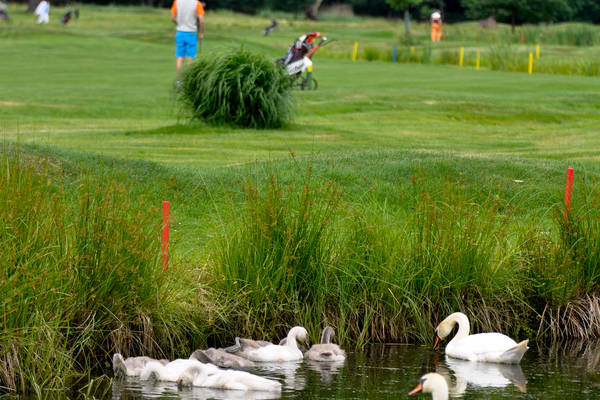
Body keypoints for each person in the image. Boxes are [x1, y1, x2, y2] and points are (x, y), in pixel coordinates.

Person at [170, 0, 204, 80]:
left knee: (179, 57)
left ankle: (179, 81)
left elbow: (172, 18)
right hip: (191, 33)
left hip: (180, 33)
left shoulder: (177, 2)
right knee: (190, 58)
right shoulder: (197, 3)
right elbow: (201, 20)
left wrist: (179, 24)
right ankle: (189, 80)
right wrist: (202, 33)